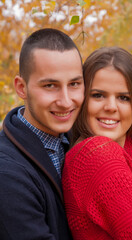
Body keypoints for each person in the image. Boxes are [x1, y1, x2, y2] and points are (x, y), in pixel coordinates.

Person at [62, 47, 132, 239]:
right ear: (82, 98)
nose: (111, 107)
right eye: (98, 95)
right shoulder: (94, 155)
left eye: (124, 98)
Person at [0, 28, 84, 239]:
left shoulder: (81, 139)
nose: (66, 101)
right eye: (50, 85)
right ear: (21, 88)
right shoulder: (6, 172)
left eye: (74, 84)